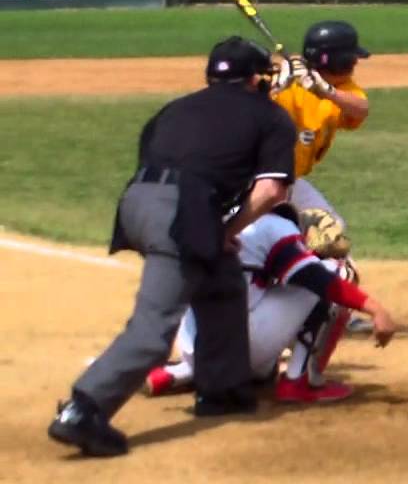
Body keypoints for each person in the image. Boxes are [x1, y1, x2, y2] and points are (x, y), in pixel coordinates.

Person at [48, 37, 298, 457]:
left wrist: (210, 229)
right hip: (179, 214)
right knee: (155, 323)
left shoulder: (175, 107)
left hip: (136, 203)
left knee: (221, 279)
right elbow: (272, 191)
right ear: (256, 79)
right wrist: (228, 226)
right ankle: (83, 409)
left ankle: (224, 389)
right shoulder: (270, 116)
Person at [145, 205, 398, 403]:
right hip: (241, 353)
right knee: (335, 271)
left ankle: (179, 371)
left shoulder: (205, 215)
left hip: (195, 348)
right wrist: (375, 308)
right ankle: (300, 381)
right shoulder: (272, 225)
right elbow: (318, 280)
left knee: (229, 293)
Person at [272, 21, 372, 330]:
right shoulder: (284, 87)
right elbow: (244, 109)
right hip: (257, 181)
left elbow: (361, 109)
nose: (355, 63)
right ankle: (279, 321)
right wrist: (280, 83)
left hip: (291, 180)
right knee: (272, 246)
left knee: (331, 232)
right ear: (333, 60)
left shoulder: (341, 89)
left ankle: (332, 309)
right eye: (351, 58)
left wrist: (323, 89)